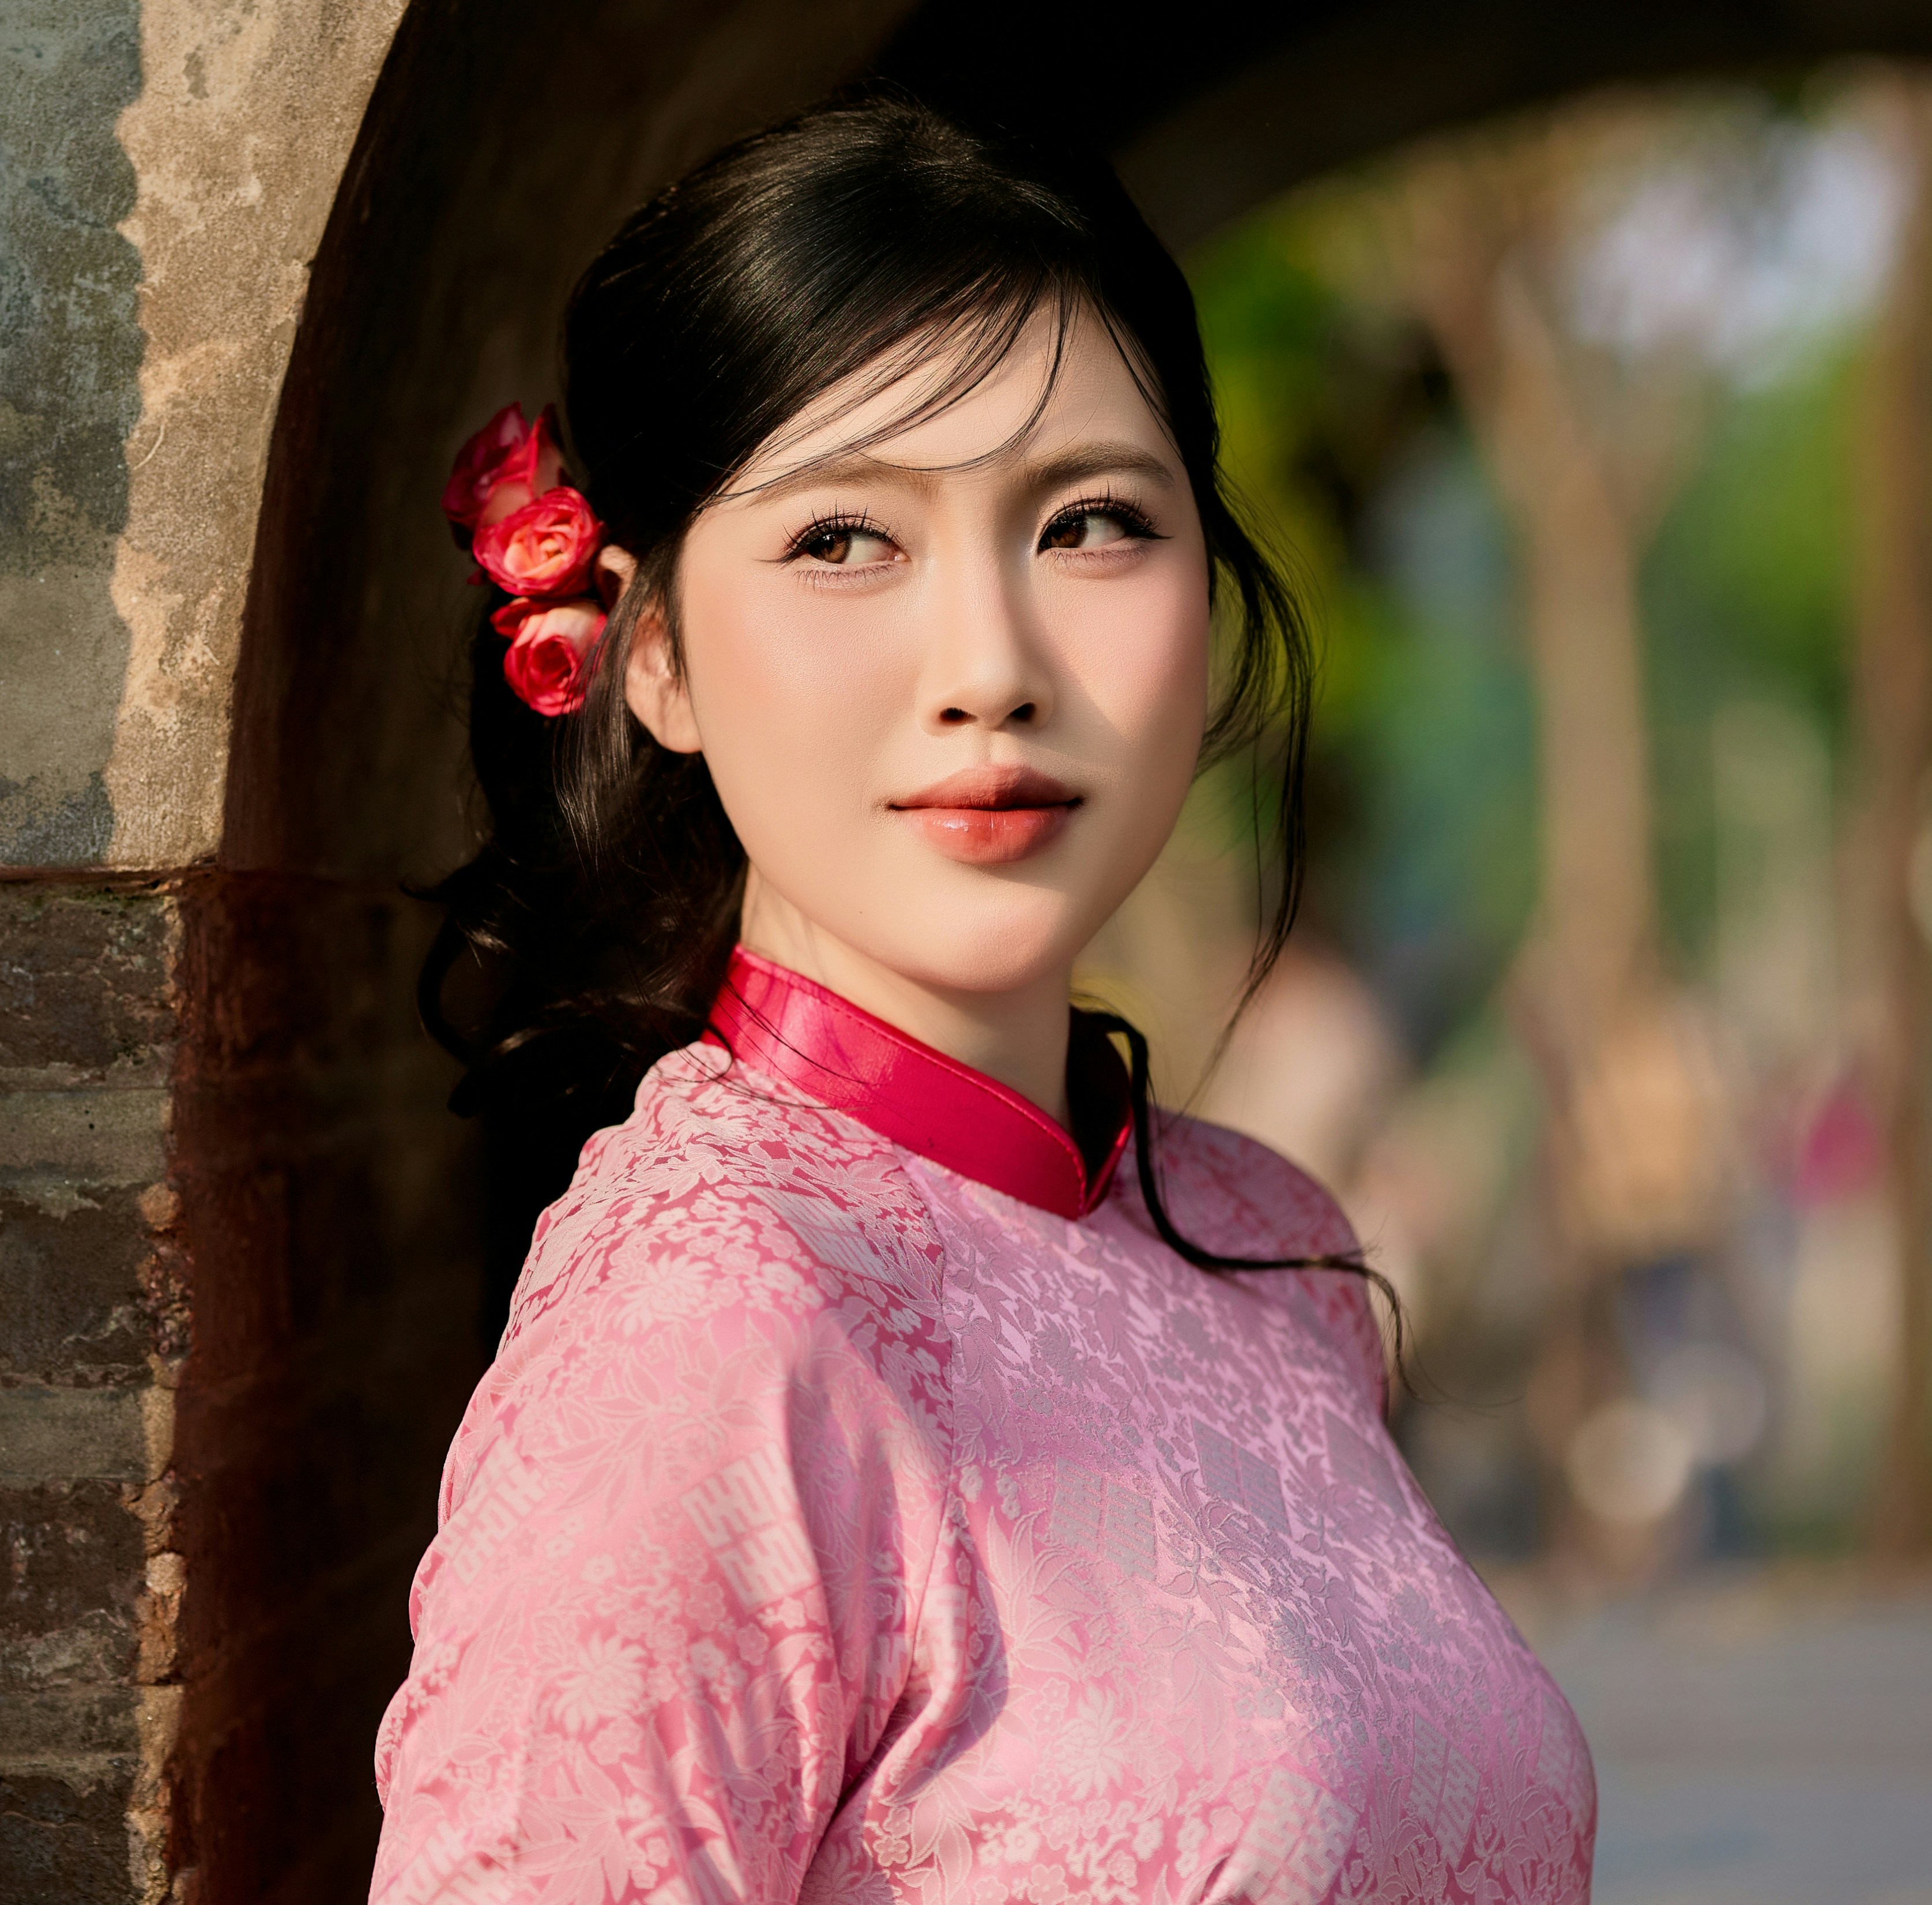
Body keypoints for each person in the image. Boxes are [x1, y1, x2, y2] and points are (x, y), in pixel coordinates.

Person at [378, 96, 1594, 1902]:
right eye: (846, 541)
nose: (991, 669)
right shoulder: (708, 1333)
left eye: (1092, 522)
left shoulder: (1270, 1245)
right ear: (654, 657)